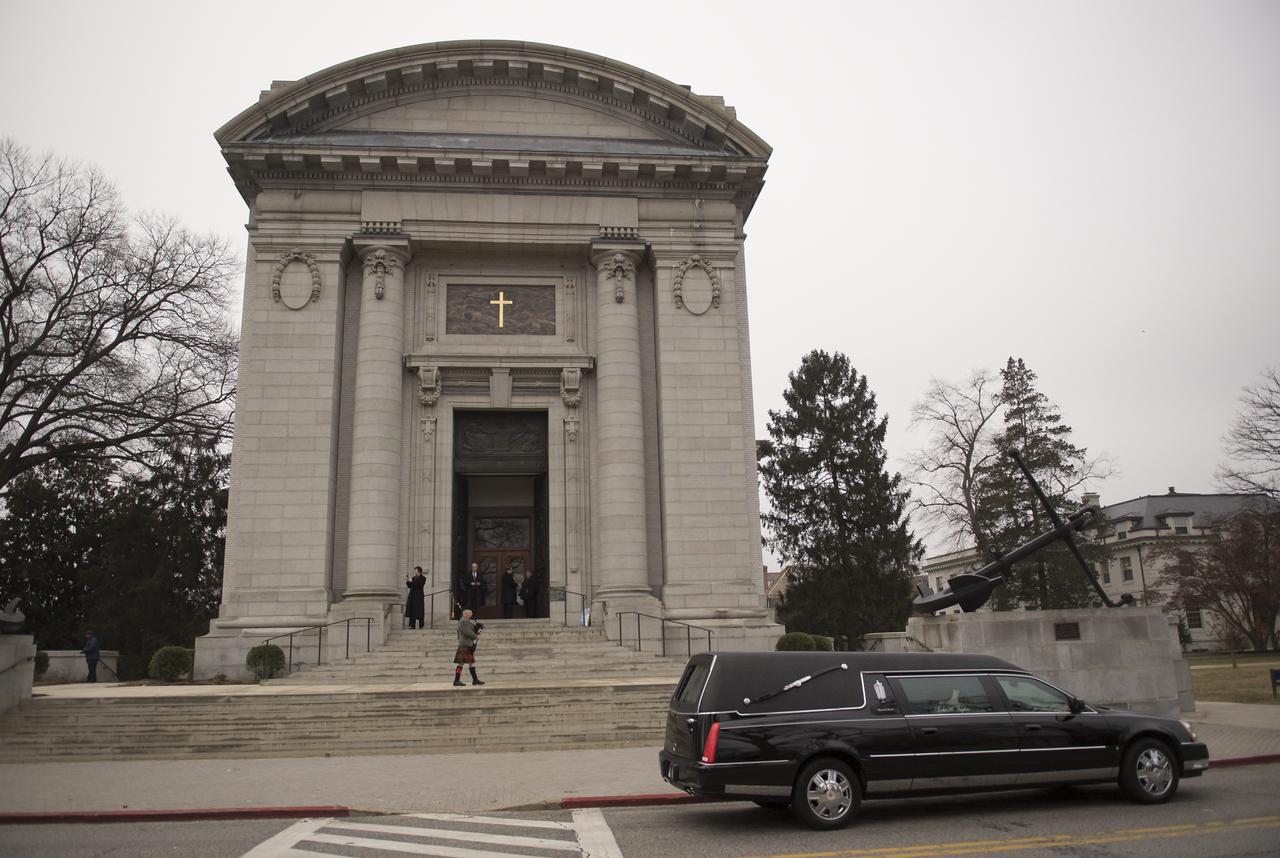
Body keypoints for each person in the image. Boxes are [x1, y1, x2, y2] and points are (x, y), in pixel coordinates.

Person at [452, 609, 484, 686]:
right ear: (466, 614)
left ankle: (474, 679)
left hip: (467, 644)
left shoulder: (466, 621)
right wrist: (475, 636)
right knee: (462, 663)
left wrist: (478, 626)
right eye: (470, 614)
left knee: (468, 663)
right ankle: (457, 680)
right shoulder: (464, 621)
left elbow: (471, 629)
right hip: (465, 644)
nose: (471, 615)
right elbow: (467, 632)